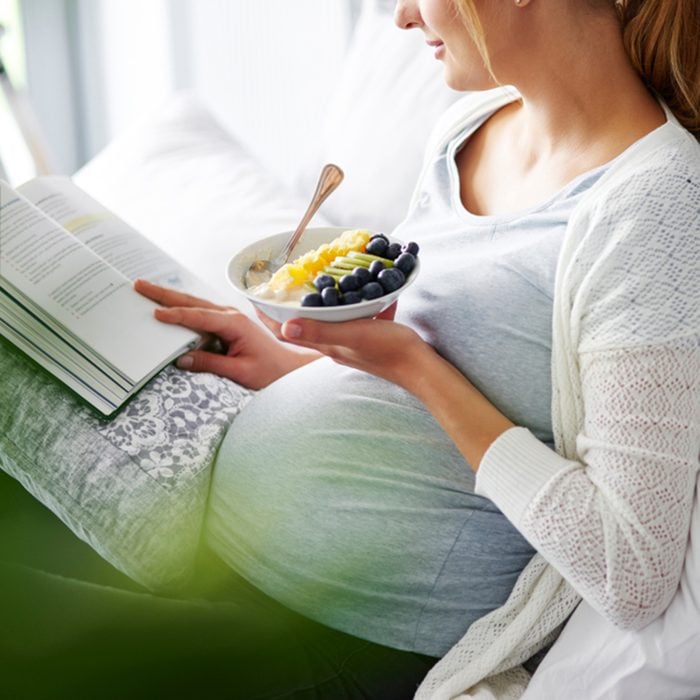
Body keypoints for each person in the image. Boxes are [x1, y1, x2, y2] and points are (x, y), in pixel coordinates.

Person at [0, 0, 698, 698]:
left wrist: (412, 367)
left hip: (337, 636)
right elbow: (459, 366)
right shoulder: (472, 127)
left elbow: (629, 572)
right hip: (208, 539)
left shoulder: (655, 206)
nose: (400, 17)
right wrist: (298, 366)